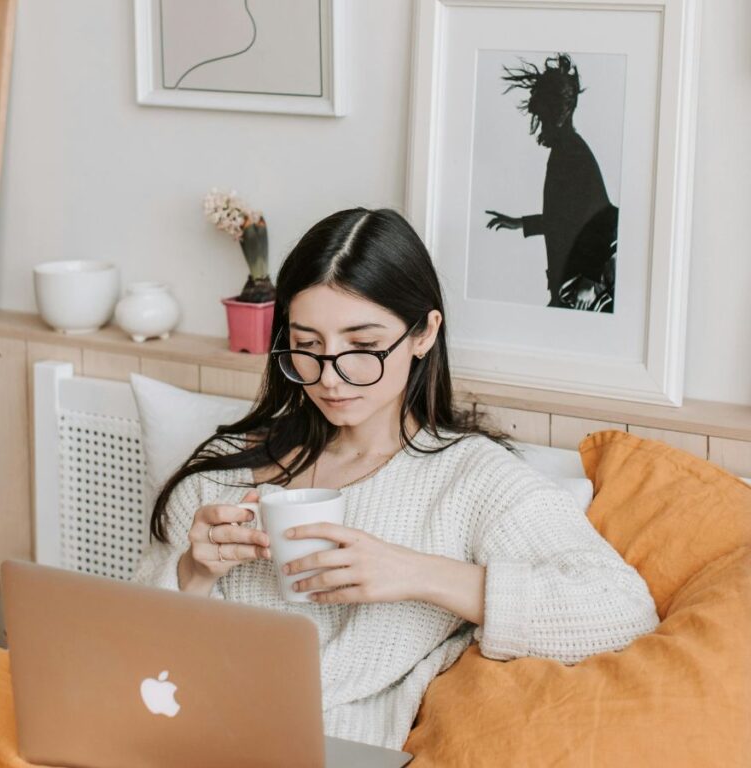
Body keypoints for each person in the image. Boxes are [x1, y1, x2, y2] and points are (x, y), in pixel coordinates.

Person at [132, 208, 658, 750]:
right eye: (309, 346)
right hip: (181, 739)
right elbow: (133, 656)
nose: (332, 377)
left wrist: (417, 573)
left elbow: (622, 610)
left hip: (327, 749)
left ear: (424, 334)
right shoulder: (222, 473)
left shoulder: (470, 480)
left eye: (362, 348)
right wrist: (193, 573)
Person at [484, 53, 618, 312]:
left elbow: (604, 218)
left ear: (557, 114)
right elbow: (566, 217)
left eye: (542, 117)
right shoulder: (564, 152)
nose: (539, 125)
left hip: (582, 289)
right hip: (571, 283)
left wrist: (590, 280)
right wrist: (520, 223)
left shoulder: (572, 153)